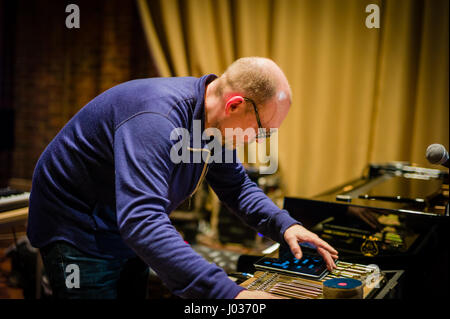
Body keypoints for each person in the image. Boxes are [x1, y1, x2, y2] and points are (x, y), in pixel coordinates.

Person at [28, 57, 338, 299]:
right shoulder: (156, 119)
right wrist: (232, 294)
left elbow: (237, 187)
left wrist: (286, 225)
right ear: (234, 105)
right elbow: (142, 221)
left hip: (119, 223)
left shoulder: (211, 123)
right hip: (75, 227)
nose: (259, 141)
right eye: (262, 130)